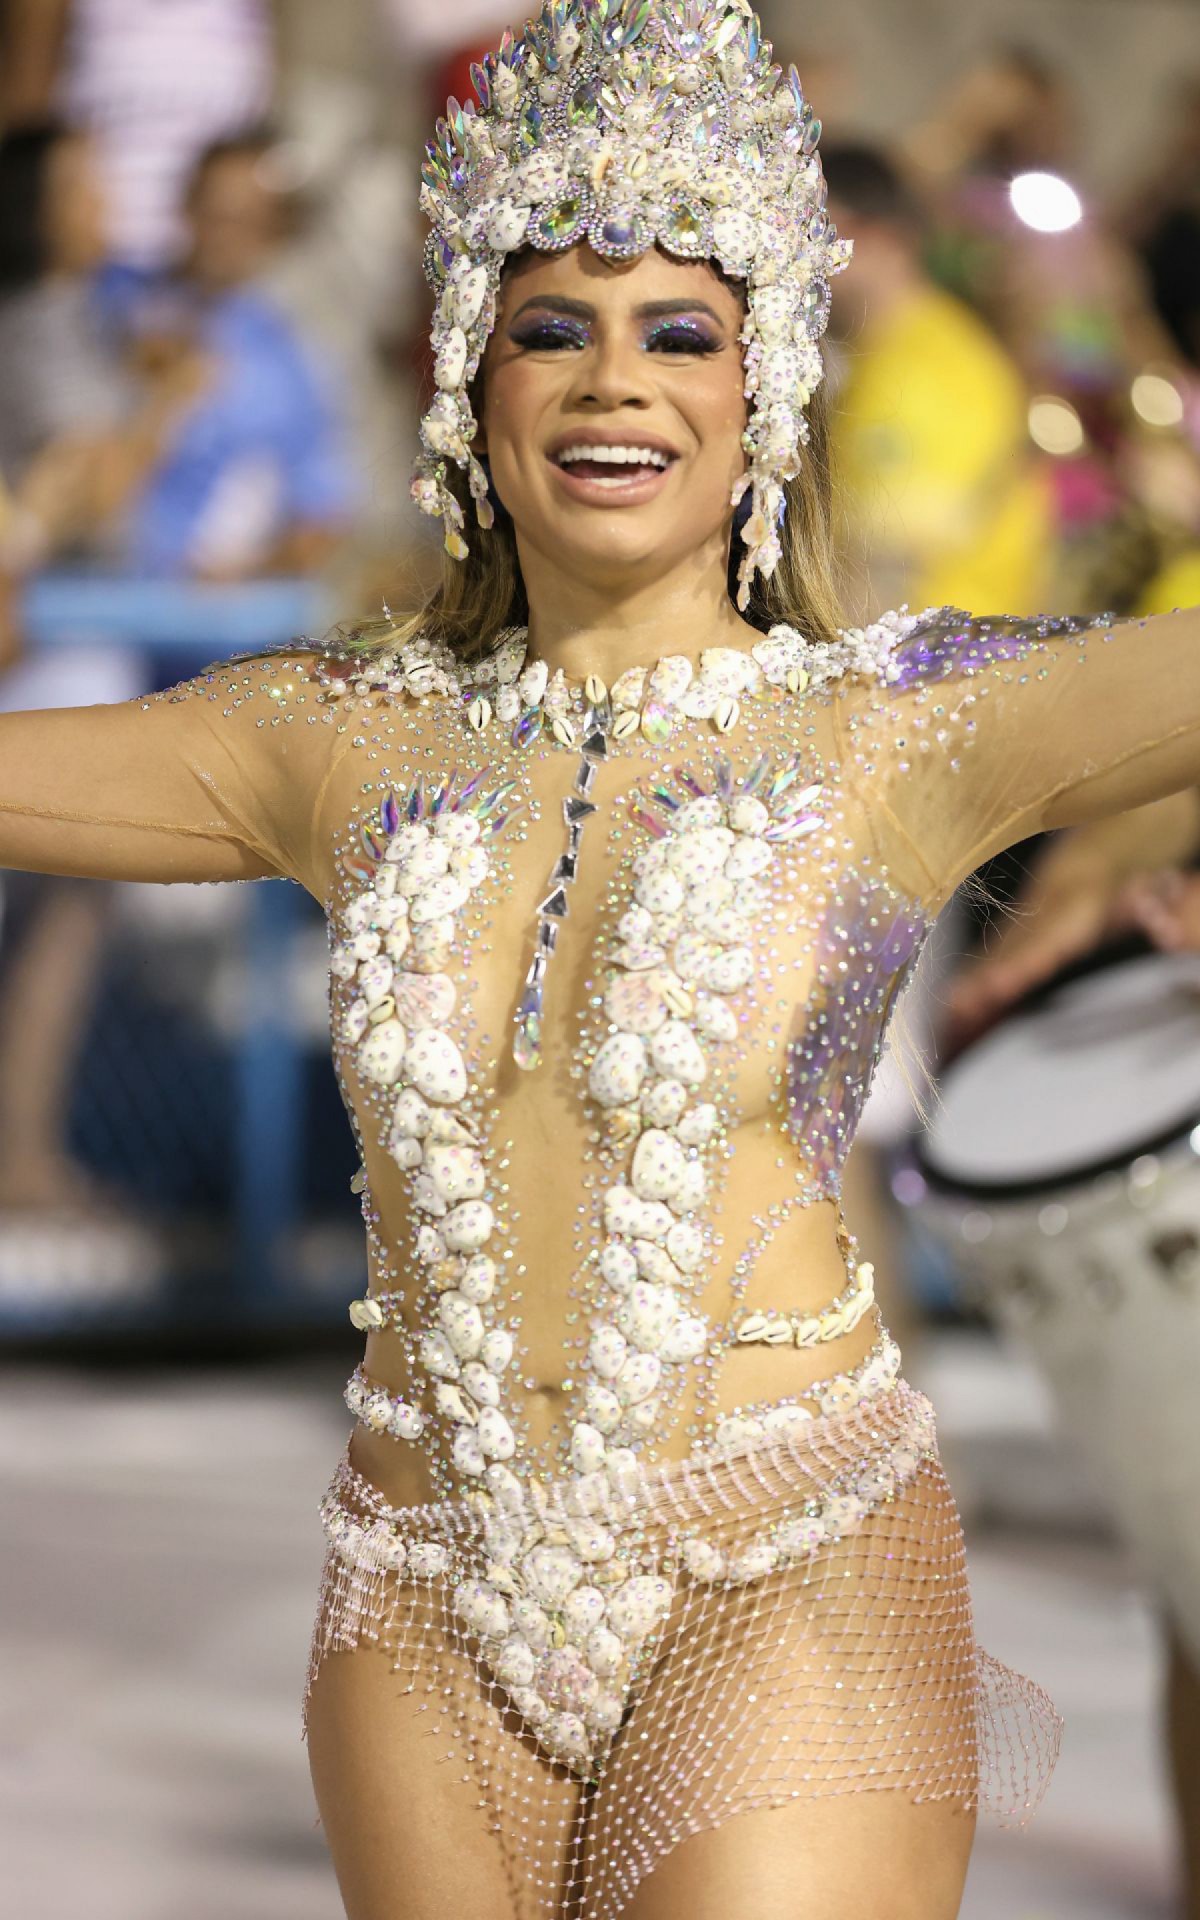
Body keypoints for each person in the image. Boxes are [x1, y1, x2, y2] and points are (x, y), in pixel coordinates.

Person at [0, 7, 1198, 1918]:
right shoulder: (338, 737)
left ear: (767, 385)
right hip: (418, 1585)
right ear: (472, 385)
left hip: (782, 1559)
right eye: (552, 327)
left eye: (679, 331)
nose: (609, 382)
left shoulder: (890, 736)